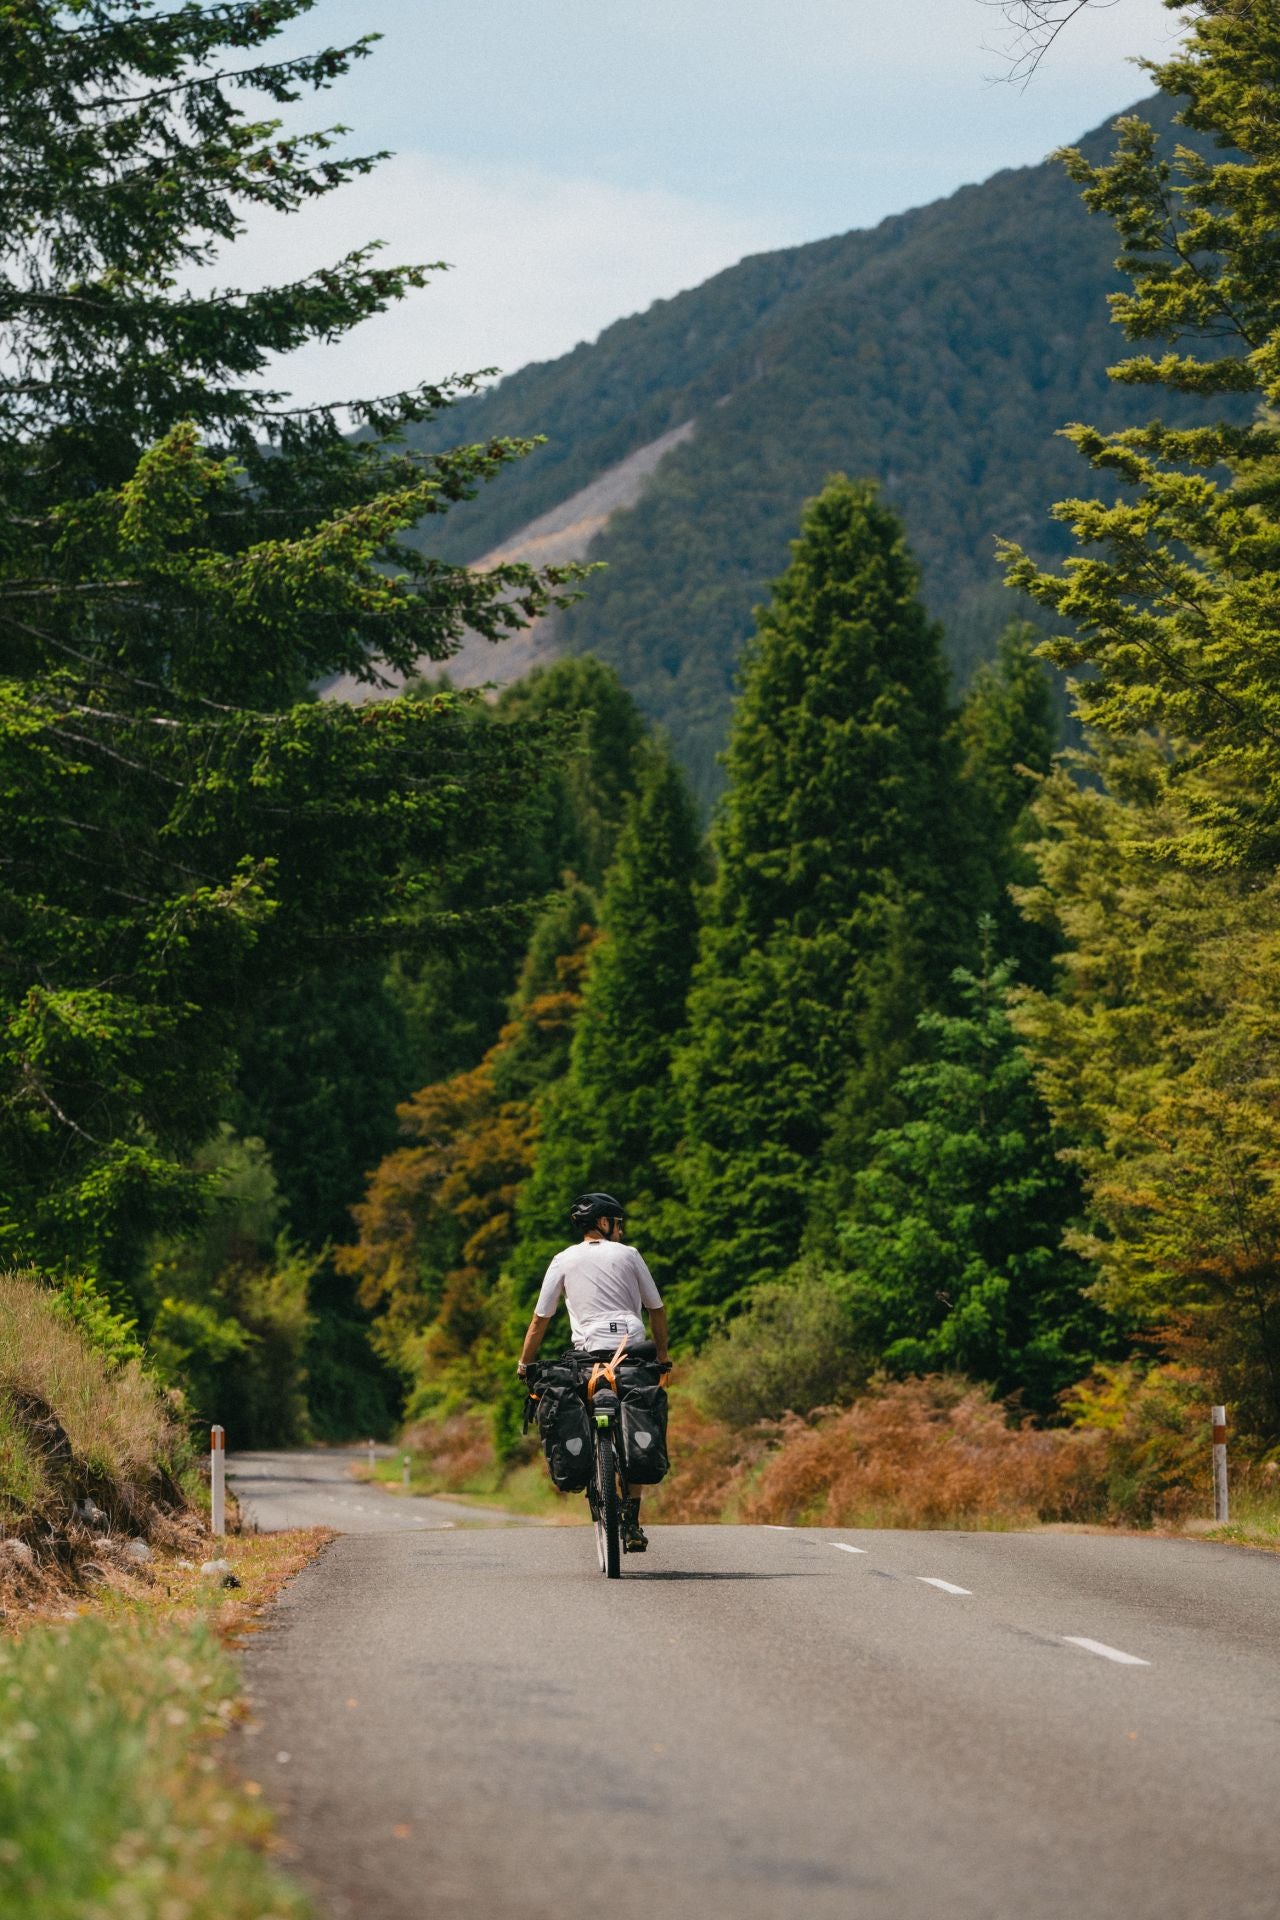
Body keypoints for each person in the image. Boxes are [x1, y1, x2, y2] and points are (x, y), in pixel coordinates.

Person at [517, 1191, 669, 1552]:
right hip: (632, 1353)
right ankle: (632, 1520)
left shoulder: (563, 1259)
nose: (621, 1230)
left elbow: (540, 1320)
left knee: (580, 1401)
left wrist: (525, 1363)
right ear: (604, 1222)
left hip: (588, 1357)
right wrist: (662, 1357)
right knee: (635, 1413)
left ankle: (593, 1466)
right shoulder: (630, 1255)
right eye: (618, 1223)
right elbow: (656, 1310)